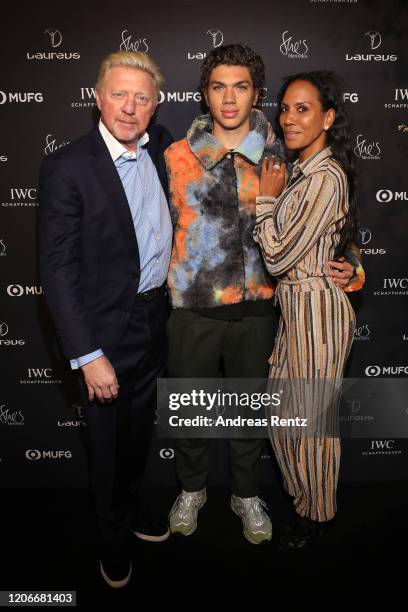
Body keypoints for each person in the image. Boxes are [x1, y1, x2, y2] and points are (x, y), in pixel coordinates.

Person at [164, 45, 360, 545]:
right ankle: (191, 489)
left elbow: (329, 224)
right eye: (218, 86)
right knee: (191, 408)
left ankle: (246, 494)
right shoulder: (175, 156)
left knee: (253, 411)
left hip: (261, 309)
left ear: (256, 93)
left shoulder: (284, 153)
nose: (230, 99)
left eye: (242, 86)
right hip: (195, 308)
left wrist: (355, 265)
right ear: (205, 94)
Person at [39, 51, 173, 588]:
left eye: (142, 97)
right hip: (103, 335)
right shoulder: (68, 167)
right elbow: (57, 269)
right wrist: (89, 355)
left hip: (154, 319)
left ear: (155, 106)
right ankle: (111, 538)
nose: (130, 107)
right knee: (107, 448)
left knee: (139, 435)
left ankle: (133, 507)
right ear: (97, 97)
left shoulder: (164, 147)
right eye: (119, 94)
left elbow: (236, 142)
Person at [254, 70, 364, 551]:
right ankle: (304, 499)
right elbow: (328, 239)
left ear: (328, 117)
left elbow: (277, 256)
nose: (290, 118)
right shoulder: (306, 172)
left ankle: (317, 516)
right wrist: (353, 261)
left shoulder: (325, 176)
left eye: (303, 109)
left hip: (317, 309)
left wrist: (264, 200)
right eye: (286, 108)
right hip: (296, 307)